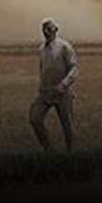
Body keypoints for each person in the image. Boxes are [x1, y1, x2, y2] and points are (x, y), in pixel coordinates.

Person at [29, 17, 79, 151]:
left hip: (62, 92)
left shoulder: (64, 46)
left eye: (49, 29)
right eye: (44, 29)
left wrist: (64, 84)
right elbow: (43, 69)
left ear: (55, 30)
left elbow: (74, 68)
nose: (46, 32)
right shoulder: (41, 49)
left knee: (67, 125)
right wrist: (41, 86)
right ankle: (48, 149)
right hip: (45, 92)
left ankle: (71, 153)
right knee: (35, 118)